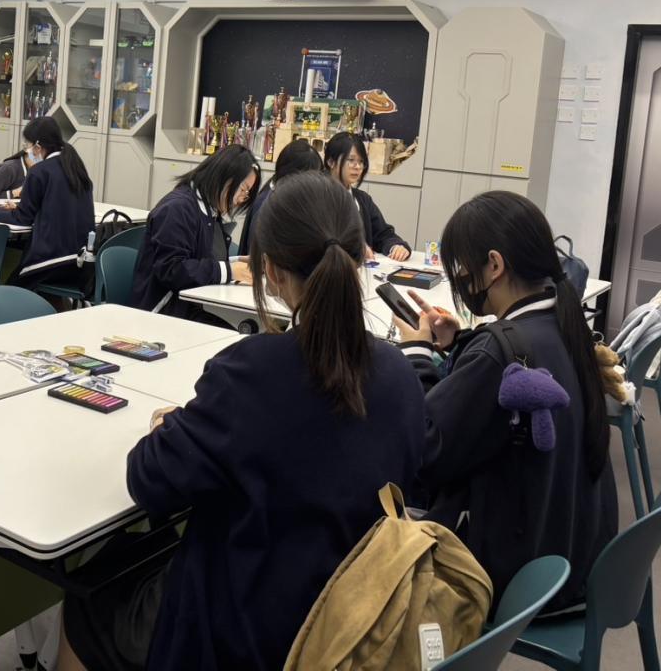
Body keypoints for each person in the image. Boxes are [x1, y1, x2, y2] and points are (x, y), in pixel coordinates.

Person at [57, 173, 426, 671]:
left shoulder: (252, 372)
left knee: (87, 600)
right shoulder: (400, 374)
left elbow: (149, 481)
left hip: (243, 632)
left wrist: (171, 430)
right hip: (358, 623)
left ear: (268, 269)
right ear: (360, 259)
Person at [393, 190, 617, 613]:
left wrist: (417, 354)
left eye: (462, 267)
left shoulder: (498, 351)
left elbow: (428, 449)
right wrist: (460, 343)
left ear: (494, 265)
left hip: (508, 577)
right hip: (570, 561)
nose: (460, 279)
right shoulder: (564, 324)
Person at [131, 145, 259, 321]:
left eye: (247, 193)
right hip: (163, 311)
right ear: (224, 178)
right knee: (242, 329)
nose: (242, 199)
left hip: (187, 306)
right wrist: (230, 271)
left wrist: (235, 263)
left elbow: (198, 257)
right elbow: (173, 270)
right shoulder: (177, 208)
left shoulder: (208, 209)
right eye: (243, 189)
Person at [0, 117, 94, 290]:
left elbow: (22, 218)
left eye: (28, 144)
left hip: (50, 262)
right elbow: (58, 205)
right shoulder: (75, 167)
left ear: (38, 146)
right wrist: (24, 207)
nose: (27, 150)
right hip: (80, 261)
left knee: (9, 290)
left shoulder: (39, 171)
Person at [325, 132, 410, 260]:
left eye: (361, 162)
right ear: (331, 162)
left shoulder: (363, 199)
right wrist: (354, 248)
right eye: (351, 160)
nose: (357, 167)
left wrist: (396, 246)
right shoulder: (317, 196)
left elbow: (382, 234)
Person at [237, 138, 325, 255]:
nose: (315, 184)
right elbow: (259, 257)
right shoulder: (267, 205)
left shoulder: (288, 200)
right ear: (292, 175)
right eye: (311, 178)